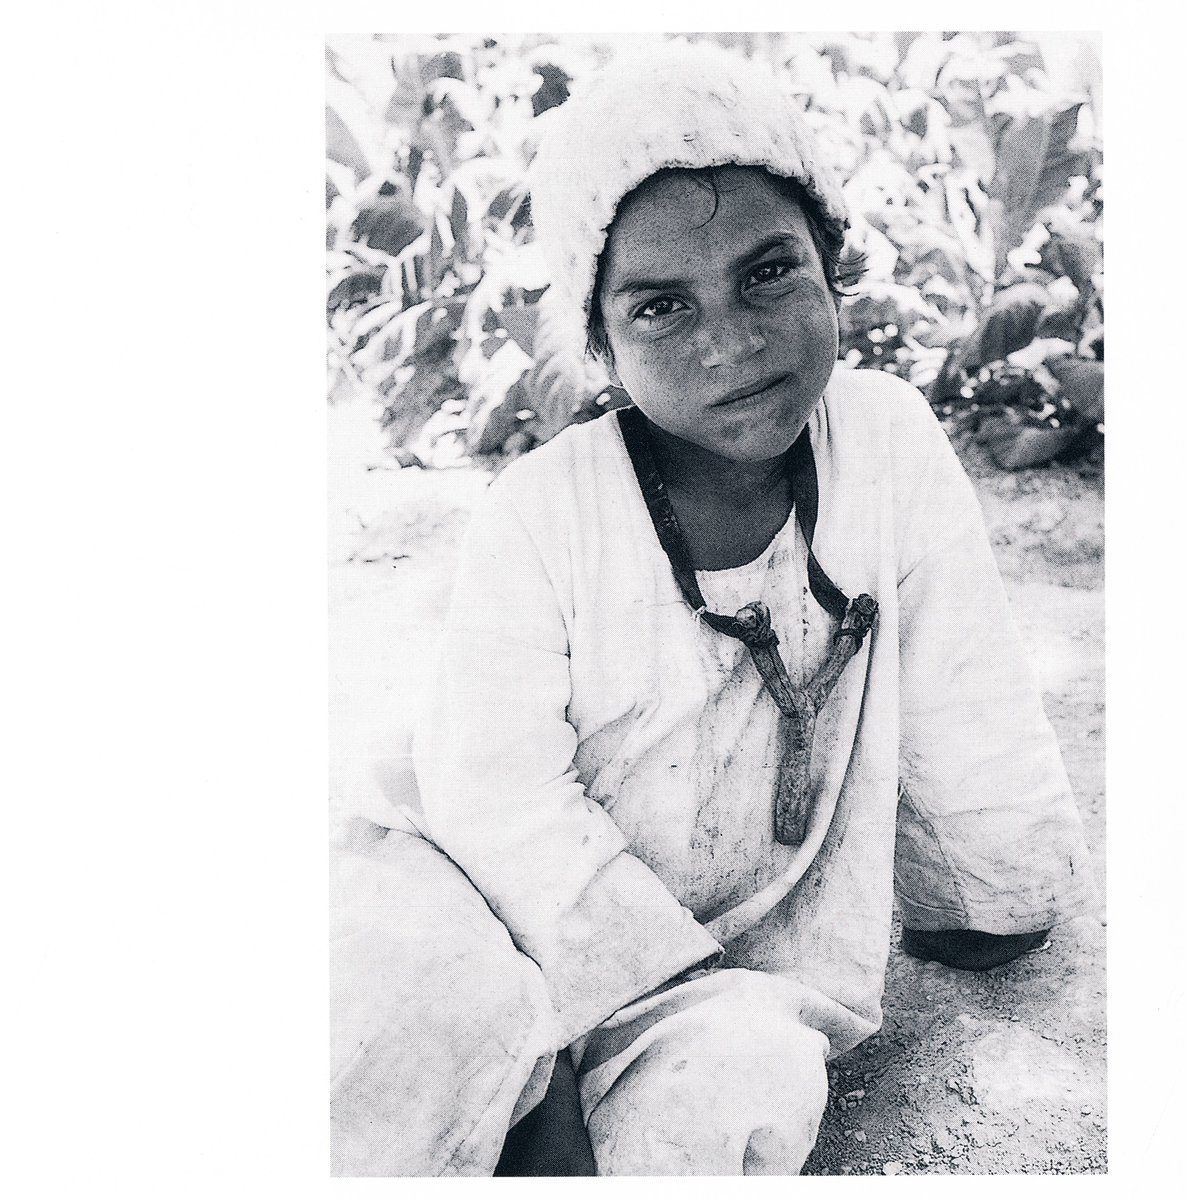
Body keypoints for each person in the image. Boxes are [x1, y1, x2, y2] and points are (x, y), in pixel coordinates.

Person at [329, 39, 1097, 1177]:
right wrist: (584, 998)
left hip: (719, 955)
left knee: (744, 1081)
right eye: (660, 309)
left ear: (833, 264)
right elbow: (490, 795)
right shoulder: (542, 511)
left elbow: (965, 691)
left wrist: (993, 888)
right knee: (406, 1004)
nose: (731, 343)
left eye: (769, 273)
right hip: (479, 888)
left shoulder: (887, 443)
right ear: (597, 340)